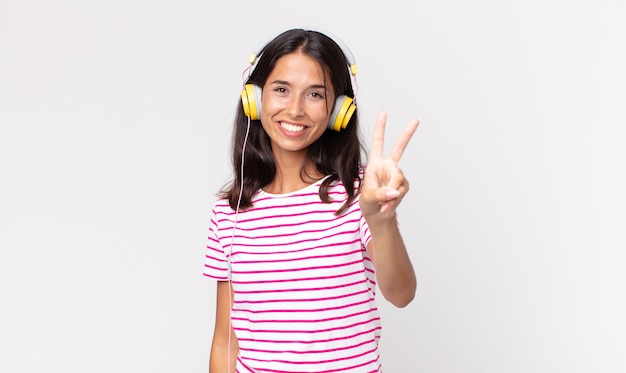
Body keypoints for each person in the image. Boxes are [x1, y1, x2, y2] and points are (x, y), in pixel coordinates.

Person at [203, 28, 420, 373]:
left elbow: (401, 293)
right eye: (281, 90)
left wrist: (381, 222)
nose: (295, 109)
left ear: (339, 110)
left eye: (315, 95)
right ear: (255, 99)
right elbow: (225, 338)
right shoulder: (228, 213)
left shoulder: (360, 193)